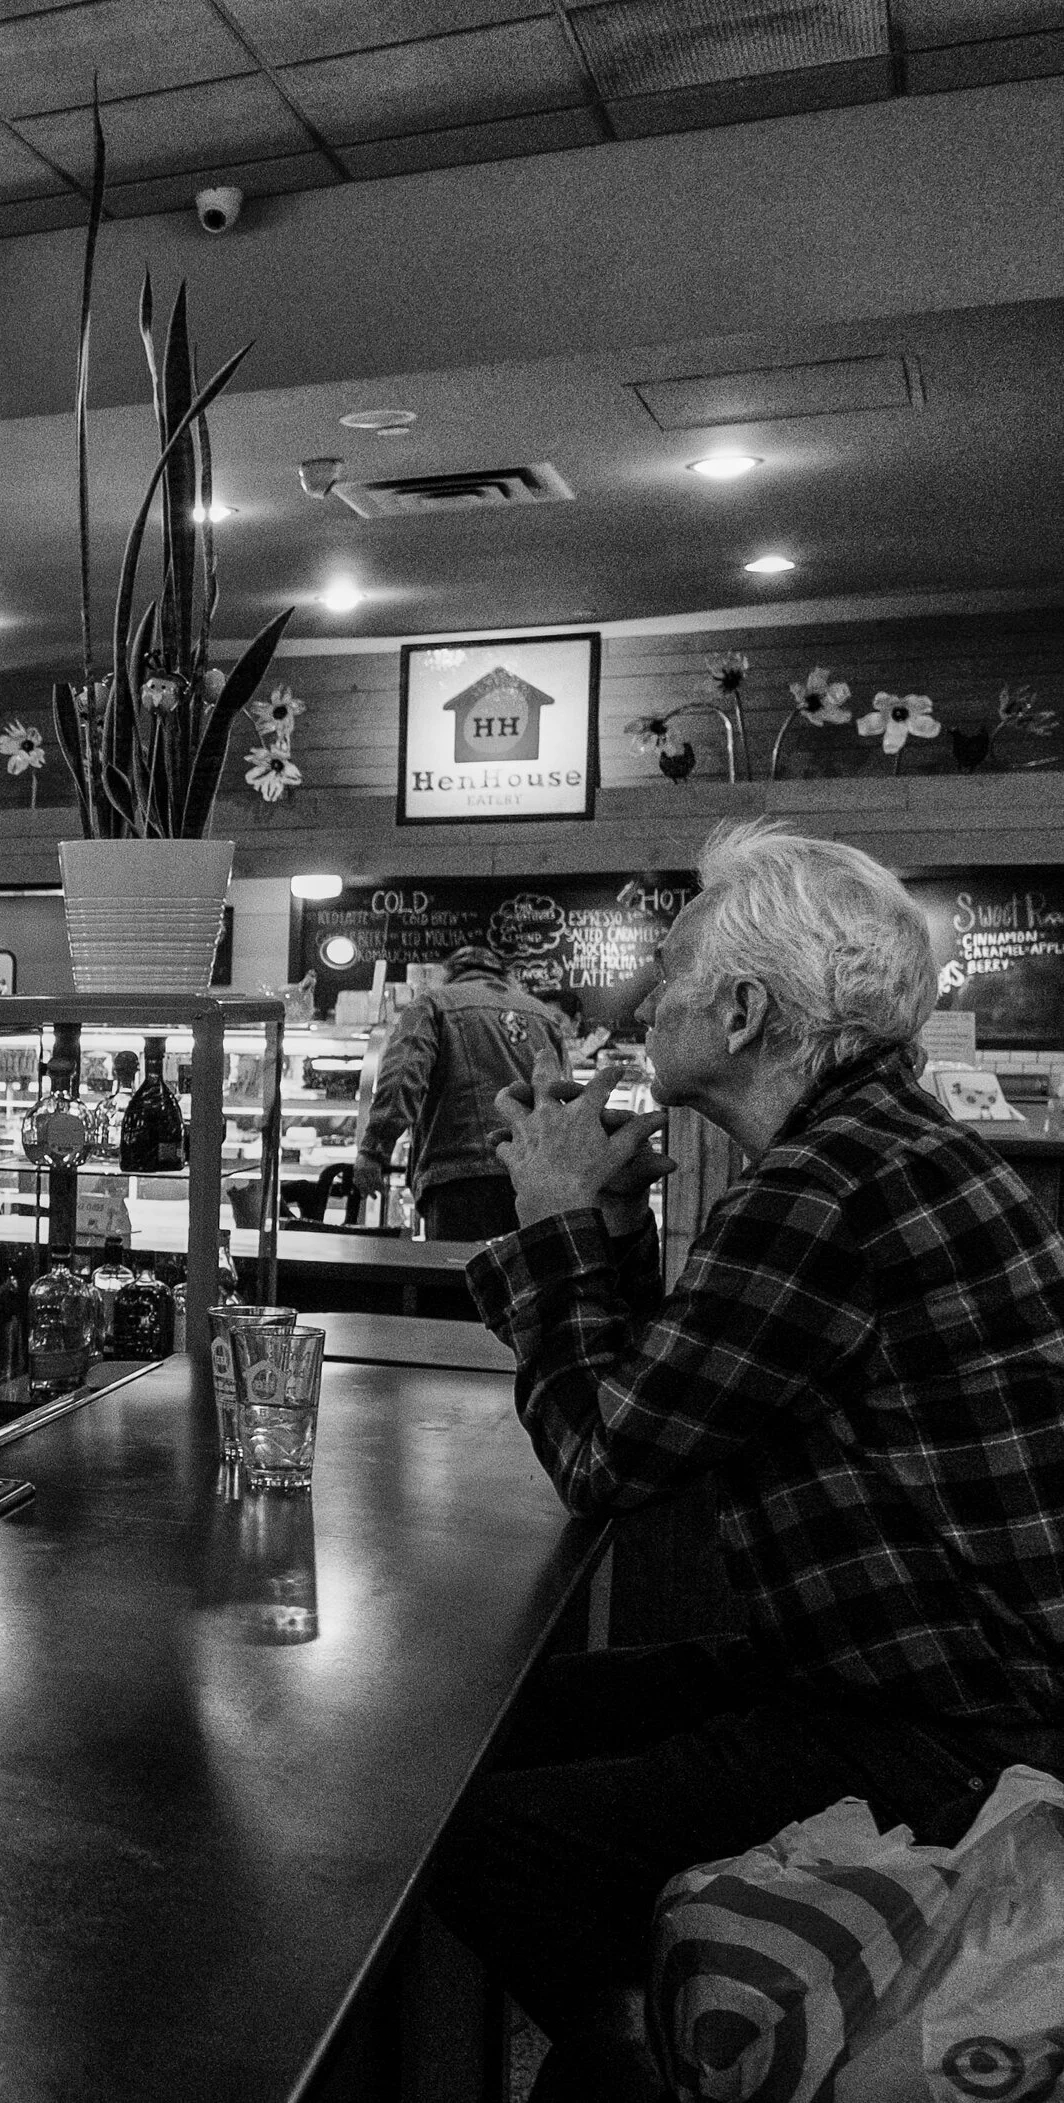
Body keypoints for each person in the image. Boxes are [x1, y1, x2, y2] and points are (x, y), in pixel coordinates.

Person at [426, 820, 1064, 2102]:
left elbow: (608, 1452)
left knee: (489, 1833)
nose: (643, 997)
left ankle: (654, 2072)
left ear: (743, 1008)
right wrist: (602, 1223)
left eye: (668, 972)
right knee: (500, 1722)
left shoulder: (819, 1186)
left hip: (959, 1725)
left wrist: (552, 1218)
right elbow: (677, 1384)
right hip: (913, 1671)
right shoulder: (887, 1150)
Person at [354, 944, 568, 1242]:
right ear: (504, 974)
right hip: (536, 1176)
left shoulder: (434, 1003)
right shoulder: (544, 1015)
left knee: (458, 1280)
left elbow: (402, 1077)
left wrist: (373, 1151)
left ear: (450, 973)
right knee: (523, 1282)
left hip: (460, 1176)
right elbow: (562, 1094)